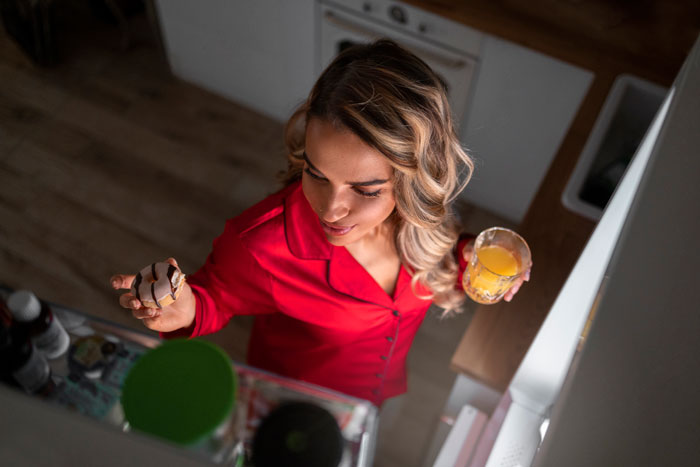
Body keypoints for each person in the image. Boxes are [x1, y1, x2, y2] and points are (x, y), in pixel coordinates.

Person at [111, 39, 530, 406]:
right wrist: (185, 309)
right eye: (316, 174)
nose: (330, 210)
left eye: (364, 191)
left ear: (412, 182)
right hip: (296, 397)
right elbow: (214, 298)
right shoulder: (261, 245)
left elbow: (436, 263)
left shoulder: (419, 222)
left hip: (376, 387)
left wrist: (467, 258)